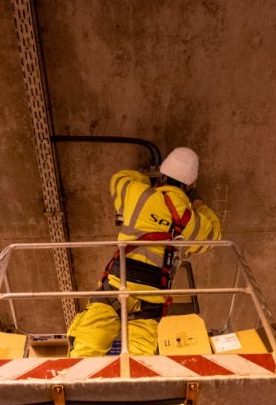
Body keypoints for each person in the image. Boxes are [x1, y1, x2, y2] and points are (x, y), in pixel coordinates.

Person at [68, 146, 223, 357]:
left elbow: (119, 179)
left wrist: (149, 183)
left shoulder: (138, 194)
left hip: (115, 289)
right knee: (139, 366)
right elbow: (214, 235)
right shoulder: (190, 220)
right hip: (150, 304)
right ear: (190, 184)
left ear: (162, 174)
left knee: (84, 352)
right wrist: (199, 204)